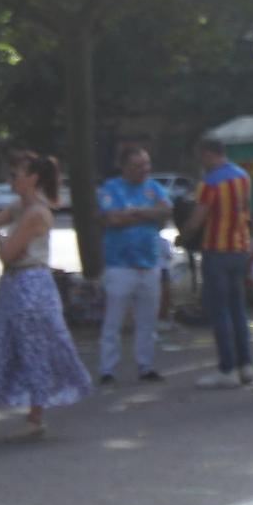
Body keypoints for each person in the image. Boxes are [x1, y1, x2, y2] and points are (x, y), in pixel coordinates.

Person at [0, 152, 91, 437]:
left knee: (34, 347)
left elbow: (7, 254)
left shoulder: (36, 213)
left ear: (33, 178)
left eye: (16, 174)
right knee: (2, 345)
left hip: (32, 287)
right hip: (14, 285)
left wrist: (2, 242)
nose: (11, 180)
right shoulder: (19, 207)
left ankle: (35, 415)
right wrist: (1, 238)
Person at [94, 145, 173, 384]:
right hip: (120, 265)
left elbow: (166, 210)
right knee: (114, 321)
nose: (144, 170)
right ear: (125, 166)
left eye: (146, 164)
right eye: (138, 166)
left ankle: (145, 365)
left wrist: (135, 212)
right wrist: (147, 214)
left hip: (149, 263)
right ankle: (107, 369)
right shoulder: (111, 188)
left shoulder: (153, 187)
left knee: (147, 321)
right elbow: (112, 218)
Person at [185, 136, 253, 390]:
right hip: (239, 248)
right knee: (238, 309)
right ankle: (246, 364)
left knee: (220, 310)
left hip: (216, 250)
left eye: (201, 157)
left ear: (208, 154)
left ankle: (227, 368)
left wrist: (184, 236)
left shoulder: (209, 182)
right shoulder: (243, 177)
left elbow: (198, 218)